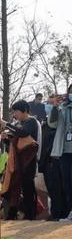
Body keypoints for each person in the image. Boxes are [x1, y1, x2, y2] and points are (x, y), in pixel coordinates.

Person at [4, 100, 40, 220]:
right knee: (16, 188)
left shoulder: (31, 121)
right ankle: (15, 214)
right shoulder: (19, 124)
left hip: (29, 160)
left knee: (28, 189)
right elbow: (15, 142)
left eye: (16, 111)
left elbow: (23, 133)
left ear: (25, 110)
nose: (15, 114)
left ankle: (31, 216)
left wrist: (8, 125)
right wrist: (7, 138)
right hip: (18, 161)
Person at [40, 101, 68, 219]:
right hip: (47, 162)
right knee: (52, 189)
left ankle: (61, 213)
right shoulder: (45, 125)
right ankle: (55, 213)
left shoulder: (61, 121)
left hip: (57, 159)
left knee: (60, 189)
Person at [48, 85, 72, 222]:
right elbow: (52, 124)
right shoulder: (62, 108)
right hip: (65, 151)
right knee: (67, 184)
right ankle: (70, 212)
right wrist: (55, 107)